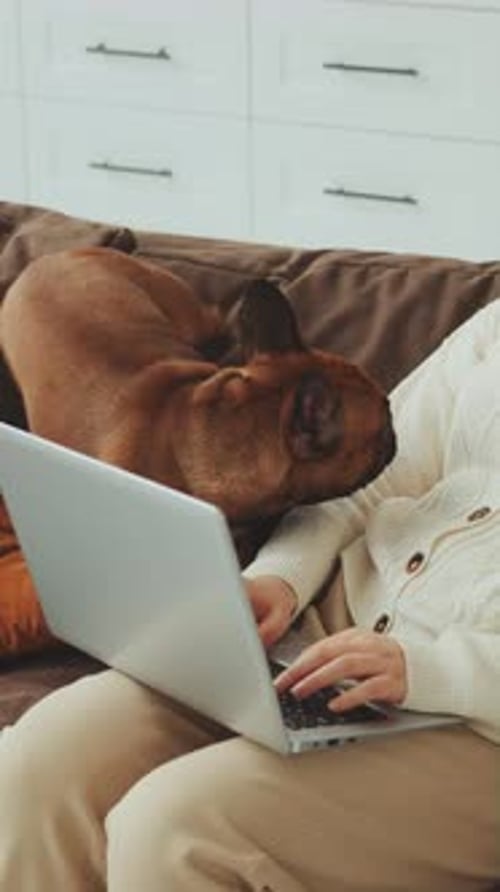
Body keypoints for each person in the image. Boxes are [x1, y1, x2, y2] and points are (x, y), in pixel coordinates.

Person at [0, 300, 499, 892]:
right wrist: (280, 580)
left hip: (476, 717)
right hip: (331, 632)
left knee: (178, 832)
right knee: (44, 759)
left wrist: (434, 669)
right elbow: (376, 476)